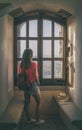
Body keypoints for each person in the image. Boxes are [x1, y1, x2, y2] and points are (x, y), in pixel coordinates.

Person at [18, 48, 45, 125]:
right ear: (31, 55)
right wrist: (38, 83)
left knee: (27, 103)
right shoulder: (33, 64)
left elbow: (20, 75)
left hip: (25, 86)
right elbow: (35, 76)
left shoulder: (21, 64)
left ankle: (28, 119)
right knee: (39, 101)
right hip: (32, 84)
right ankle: (37, 120)